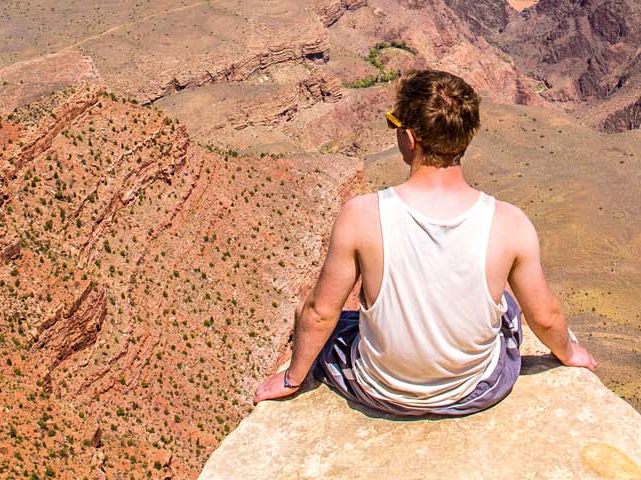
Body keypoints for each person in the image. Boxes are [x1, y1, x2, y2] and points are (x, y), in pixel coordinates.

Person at [252, 68, 596, 416]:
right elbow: (545, 317)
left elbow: (320, 313)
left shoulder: (361, 215)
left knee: (334, 323)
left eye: (395, 124)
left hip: (380, 389)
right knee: (508, 305)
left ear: (409, 138)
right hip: (476, 389)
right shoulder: (510, 222)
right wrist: (570, 354)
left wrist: (292, 378)